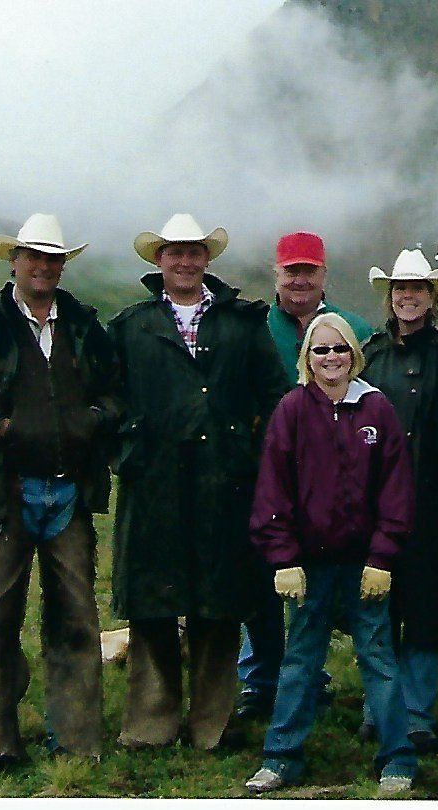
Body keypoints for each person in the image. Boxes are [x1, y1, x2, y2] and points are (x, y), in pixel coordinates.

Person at [0, 213, 123, 764]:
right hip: (1, 492)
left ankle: (77, 742)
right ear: (13, 262)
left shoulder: (85, 324)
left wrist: (90, 421)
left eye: (53, 258)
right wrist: (2, 429)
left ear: (64, 264)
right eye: (34, 257)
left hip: (70, 493)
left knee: (78, 615)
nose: (43, 267)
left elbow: (116, 396)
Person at [107, 213, 288, 751]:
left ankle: (213, 723)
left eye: (194, 253)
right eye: (174, 253)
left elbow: (275, 395)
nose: (184, 262)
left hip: (224, 484)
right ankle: (150, 724)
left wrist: (248, 455)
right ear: (158, 260)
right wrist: (129, 448)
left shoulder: (242, 323)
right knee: (152, 602)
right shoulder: (130, 325)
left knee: (218, 602)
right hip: (152, 482)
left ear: (207, 259)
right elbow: (107, 398)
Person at [245, 313, 417, 794]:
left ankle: (398, 759)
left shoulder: (377, 409)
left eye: (340, 348)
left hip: (365, 565)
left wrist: (382, 558)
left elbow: (396, 489)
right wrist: (283, 558)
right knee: (299, 659)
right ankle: (281, 757)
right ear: (307, 359)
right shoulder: (292, 410)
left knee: (379, 658)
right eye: (320, 350)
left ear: (354, 354)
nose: (331, 358)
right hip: (309, 566)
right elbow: (273, 489)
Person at [236, 230, 374, 720]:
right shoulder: (250, 326)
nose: (299, 280)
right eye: (290, 270)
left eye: (308, 271)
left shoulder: (356, 329)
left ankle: (310, 673)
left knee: (318, 578)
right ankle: (258, 676)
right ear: (277, 273)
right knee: (263, 572)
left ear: (323, 275)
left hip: (331, 479)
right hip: (261, 469)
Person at [360, 249, 438, 753]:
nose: (407, 296)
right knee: (376, 605)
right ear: (390, 295)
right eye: (400, 288)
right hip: (371, 501)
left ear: (432, 297)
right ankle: (378, 707)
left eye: (417, 288)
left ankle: (418, 713)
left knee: (423, 608)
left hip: (432, 499)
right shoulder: (369, 354)